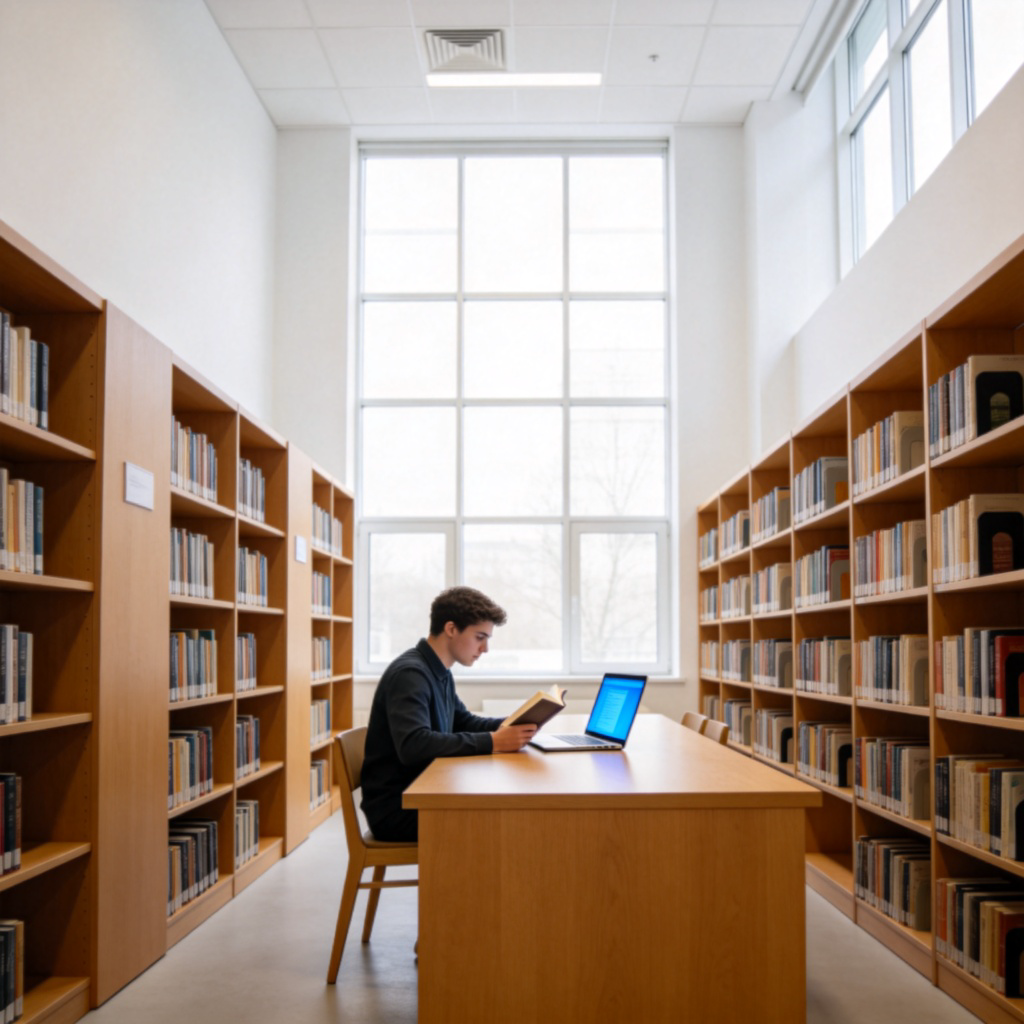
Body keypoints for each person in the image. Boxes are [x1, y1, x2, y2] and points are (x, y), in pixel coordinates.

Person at [360, 586, 537, 841]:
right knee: (501, 819)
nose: (485, 648)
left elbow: (463, 721)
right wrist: (494, 741)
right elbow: (414, 744)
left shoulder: (439, 671)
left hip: (423, 791)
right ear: (451, 629)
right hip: (398, 809)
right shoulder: (411, 674)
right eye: (479, 637)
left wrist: (515, 724)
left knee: (500, 809)